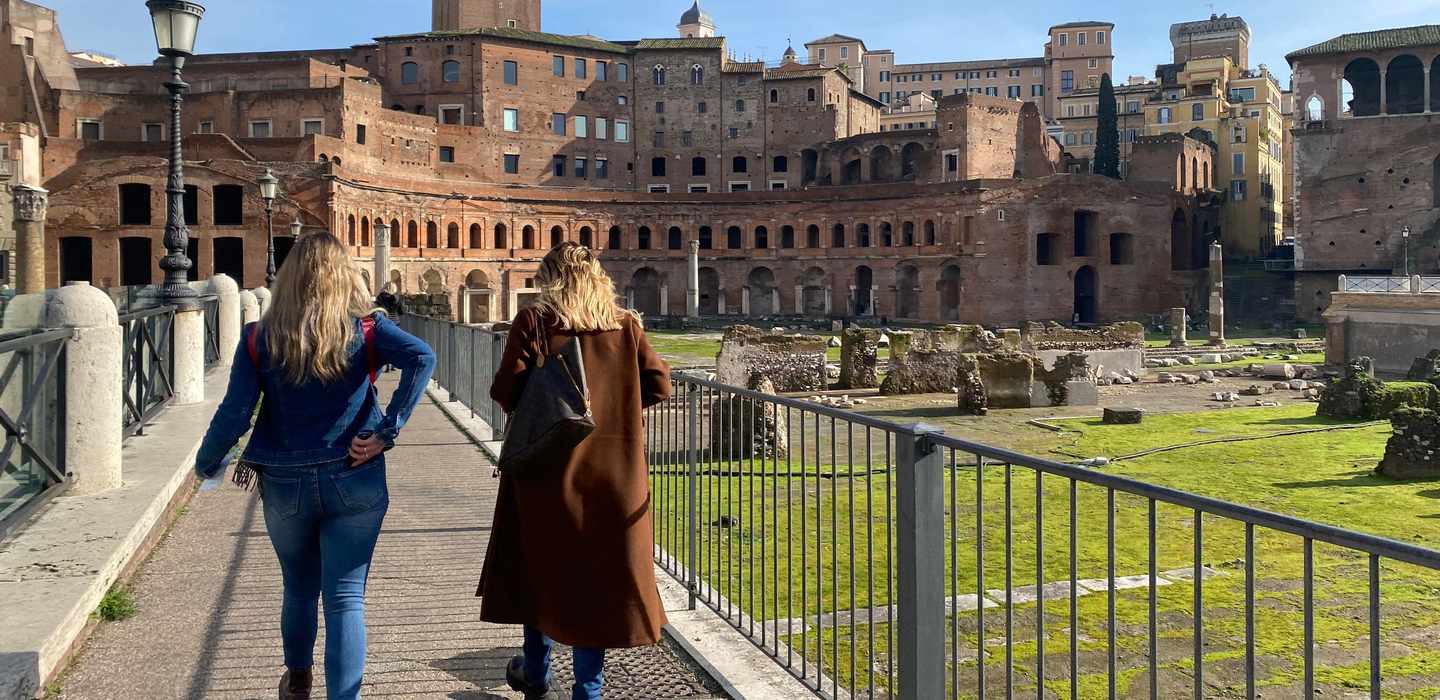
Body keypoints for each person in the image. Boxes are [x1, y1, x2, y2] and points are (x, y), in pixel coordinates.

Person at [195, 232, 436, 700]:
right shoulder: (367, 329)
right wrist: (388, 429)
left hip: (285, 480)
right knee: (346, 599)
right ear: (343, 277)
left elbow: (235, 413)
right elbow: (422, 357)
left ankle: (299, 679)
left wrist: (207, 464)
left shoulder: (258, 337)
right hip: (354, 472)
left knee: (299, 587)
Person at [478, 242, 671, 700]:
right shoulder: (625, 325)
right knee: (597, 581)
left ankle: (538, 676)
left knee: (538, 571)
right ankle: (588, 690)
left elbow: (506, 390)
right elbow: (659, 386)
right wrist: (616, 410)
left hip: (546, 469)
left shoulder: (537, 321)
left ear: (550, 278)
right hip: (614, 475)